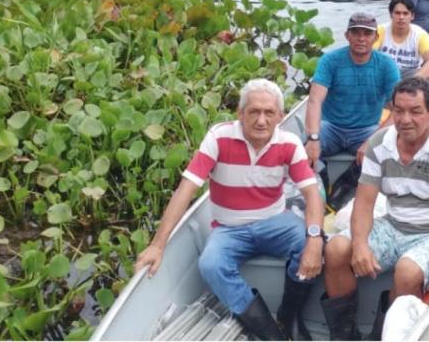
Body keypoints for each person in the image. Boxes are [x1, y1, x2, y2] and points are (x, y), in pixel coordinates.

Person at [134, 79, 324, 341]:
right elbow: (186, 190)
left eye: (269, 113)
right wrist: (158, 244)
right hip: (228, 229)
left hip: (274, 221)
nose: (261, 121)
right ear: (240, 113)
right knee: (210, 265)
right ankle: (271, 333)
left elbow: (312, 194)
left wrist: (315, 237)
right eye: (253, 112)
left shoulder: (289, 143)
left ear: (280, 116)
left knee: (312, 246)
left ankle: (289, 315)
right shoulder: (219, 137)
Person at [320, 78, 429, 340]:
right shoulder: (379, 144)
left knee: (408, 271)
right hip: (394, 224)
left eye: (415, 111)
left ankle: (386, 334)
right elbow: (364, 202)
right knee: (336, 249)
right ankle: (345, 335)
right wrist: (360, 245)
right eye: (398, 111)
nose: (405, 120)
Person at [305, 12, 402, 209]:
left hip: (367, 129)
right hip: (330, 127)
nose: (361, 38)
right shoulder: (330, 61)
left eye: (367, 34)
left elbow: (398, 109)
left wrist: (371, 142)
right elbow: (314, 101)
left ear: (375, 37)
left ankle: (340, 197)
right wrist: (313, 139)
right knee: (302, 150)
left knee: (387, 150)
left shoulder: (386, 65)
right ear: (347, 35)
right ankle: (317, 197)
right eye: (356, 33)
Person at [372, 0, 429, 80]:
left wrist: (412, 81)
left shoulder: (420, 34)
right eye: (397, 13)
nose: (401, 17)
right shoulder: (380, 31)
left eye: (405, 13)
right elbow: (369, 55)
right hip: (384, 73)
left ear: (412, 16)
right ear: (391, 15)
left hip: (410, 75)